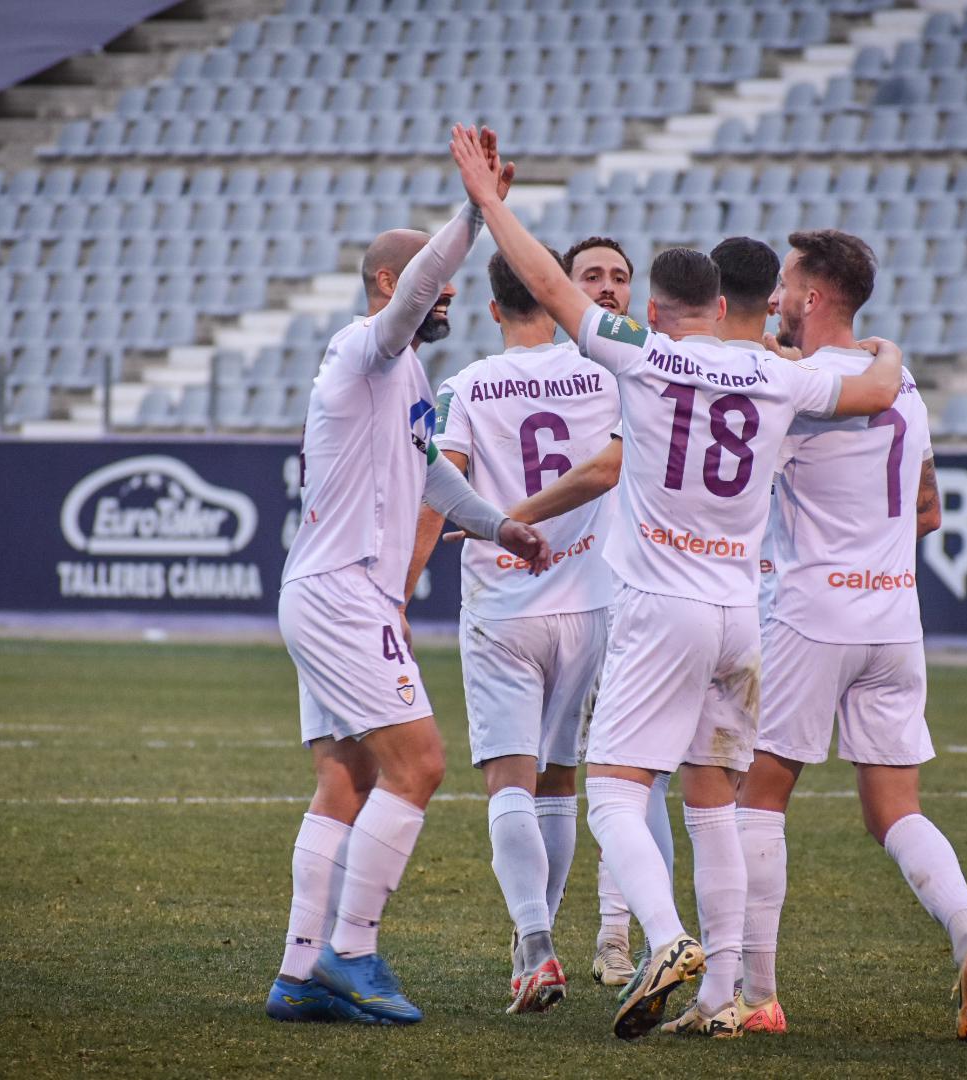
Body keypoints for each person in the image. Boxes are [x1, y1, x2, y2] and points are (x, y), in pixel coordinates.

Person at [451, 125, 905, 1041]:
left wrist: (491, 203)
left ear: (656, 310)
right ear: (728, 302)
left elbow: (545, 283)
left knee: (616, 789)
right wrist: (889, 353)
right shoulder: (781, 375)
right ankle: (722, 997)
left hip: (661, 607)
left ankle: (664, 939)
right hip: (744, 614)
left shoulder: (643, 357)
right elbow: (876, 394)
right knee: (712, 805)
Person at [264, 127, 551, 1027]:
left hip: (330, 591)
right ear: (392, 284)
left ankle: (298, 971)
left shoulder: (409, 372)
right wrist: (475, 208)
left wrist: (499, 522)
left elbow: (430, 474)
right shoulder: (366, 347)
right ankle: (354, 951)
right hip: (344, 590)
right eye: (434, 286)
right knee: (420, 765)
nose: (451, 297)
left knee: (347, 777)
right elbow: (425, 280)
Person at [738, 230, 967, 1043]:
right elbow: (927, 509)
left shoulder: (802, 383)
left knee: (759, 796)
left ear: (813, 298)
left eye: (785, 286)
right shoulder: (907, 384)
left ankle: (757, 995)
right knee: (895, 809)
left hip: (813, 614)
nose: (777, 299)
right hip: (894, 613)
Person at [404, 246, 620, 1014]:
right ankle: (544, 937)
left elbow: (439, 492)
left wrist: (402, 590)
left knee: (508, 781)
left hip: (503, 605)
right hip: (589, 600)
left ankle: (534, 945)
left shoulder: (465, 385)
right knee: (560, 779)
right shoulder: (603, 374)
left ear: (494, 310)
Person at [559, 234, 676, 991]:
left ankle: (615, 939)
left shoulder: (650, 365)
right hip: (557, 602)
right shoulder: (546, 366)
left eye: (619, 277)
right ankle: (542, 940)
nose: (607, 287)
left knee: (632, 780)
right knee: (557, 776)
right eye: (591, 276)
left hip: (632, 599)